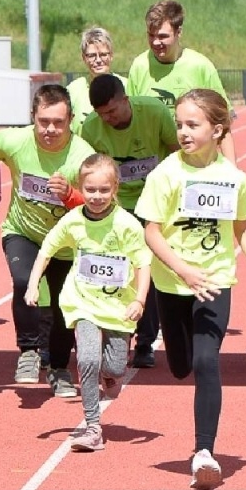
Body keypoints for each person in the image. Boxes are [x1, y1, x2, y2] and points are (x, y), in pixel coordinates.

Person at [136, 88, 246, 490]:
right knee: (181, 365)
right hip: (173, 284)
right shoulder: (166, 174)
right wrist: (183, 272)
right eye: (179, 124)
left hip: (215, 280)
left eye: (192, 125)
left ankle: (204, 453)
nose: (183, 131)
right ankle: (177, 354)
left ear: (217, 130)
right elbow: (151, 232)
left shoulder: (233, 178)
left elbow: (241, 225)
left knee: (207, 361)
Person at [0, 84, 97, 396]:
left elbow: (99, 206)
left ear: (72, 120)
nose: (50, 129)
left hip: (66, 242)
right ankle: (28, 351)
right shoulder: (14, 140)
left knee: (66, 304)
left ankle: (60, 368)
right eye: (43, 122)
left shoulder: (83, 155)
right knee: (25, 281)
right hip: (23, 232)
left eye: (58, 122)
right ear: (32, 117)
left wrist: (70, 195)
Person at [24, 155, 152, 452]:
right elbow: (47, 249)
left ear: (115, 188)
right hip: (81, 301)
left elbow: (143, 263)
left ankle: (111, 375)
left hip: (118, 307)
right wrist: (33, 284)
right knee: (88, 359)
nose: (97, 197)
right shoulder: (72, 220)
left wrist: (140, 299)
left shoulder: (126, 224)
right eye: (90, 190)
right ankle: (93, 427)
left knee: (115, 366)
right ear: (81, 188)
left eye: (104, 190)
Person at [78, 73, 179, 368]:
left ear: (125, 99)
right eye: (101, 114)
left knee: (146, 271)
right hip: (115, 207)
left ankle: (146, 342)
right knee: (116, 273)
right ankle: (113, 337)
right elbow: (87, 170)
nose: (107, 119)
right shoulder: (91, 128)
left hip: (154, 205)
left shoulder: (155, 112)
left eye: (112, 111)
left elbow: (176, 154)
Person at [127, 0, 234, 160]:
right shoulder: (139, 66)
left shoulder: (200, 66)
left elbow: (224, 124)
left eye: (163, 36)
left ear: (179, 32)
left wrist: (233, 171)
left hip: (198, 167)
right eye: (151, 35)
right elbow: (131, 123)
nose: (156, 42)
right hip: (155, 169)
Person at [65, 27, 126, 131]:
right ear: (84, 58)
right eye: (92, 55)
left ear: (111, 55)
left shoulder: (126, 85)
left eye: (103, 54)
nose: (98, 60)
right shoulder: (73, 90)